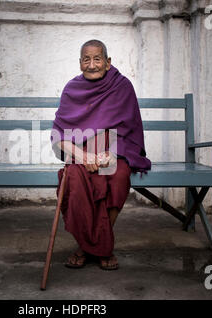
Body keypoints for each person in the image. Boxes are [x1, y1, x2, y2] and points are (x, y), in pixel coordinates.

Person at [51, 39, 151, 270]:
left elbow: (129, 129)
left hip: (114, 152)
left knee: (118, 177)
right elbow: (59, 136)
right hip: (80, 154)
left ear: (108, 62)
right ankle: (101, 248)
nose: (92, 65)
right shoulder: (72, 89)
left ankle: (87, 249)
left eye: (97, 59)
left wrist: (112, 154)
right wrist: (83, 157)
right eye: (87, 59)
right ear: (80, 63)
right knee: (75, 180)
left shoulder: (121, 86)